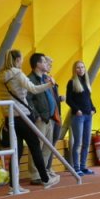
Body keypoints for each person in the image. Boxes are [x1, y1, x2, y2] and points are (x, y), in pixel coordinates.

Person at [0, 49, 60, 193]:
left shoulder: (2, 75)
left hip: (9, 117)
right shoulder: (17, 74)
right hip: (22, 115)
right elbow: (33, 89)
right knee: (35, 146)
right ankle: (45, 179)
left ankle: (13, 185)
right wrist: (49, 85)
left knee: (17, 152)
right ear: (18, 60)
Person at [27, 53, 57, 185]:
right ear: (38, 64)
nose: (47, 64)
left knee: (47, 147)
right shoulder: (30, 80)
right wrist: (36, 115)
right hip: (40, 118)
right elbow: (28, 99)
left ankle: (42, 171)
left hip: (49, 117)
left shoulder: (44, 78)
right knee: (36, 146)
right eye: (44, 62)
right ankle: (34, 174)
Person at [66, 60, 96, 176]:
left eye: (82, 67)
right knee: (78, 142)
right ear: (75, 70)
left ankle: (83, 166)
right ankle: (76, 167)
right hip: (78, 116)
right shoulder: (72, 82)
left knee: (86, 142)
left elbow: (88, 98)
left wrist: (93, 108)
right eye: (78, 67)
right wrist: (76, 109)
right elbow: (69, 99)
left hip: (88, 115)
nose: (81, 69)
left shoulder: (86, 82)